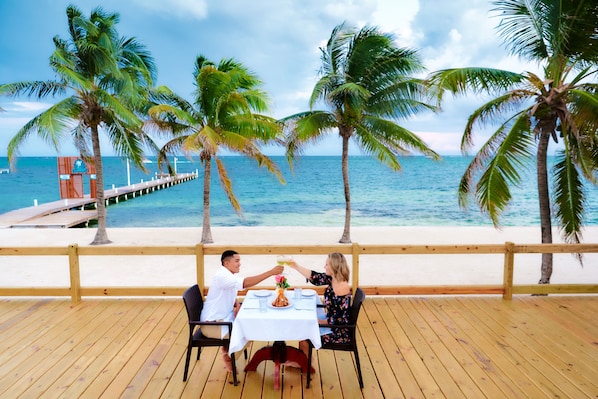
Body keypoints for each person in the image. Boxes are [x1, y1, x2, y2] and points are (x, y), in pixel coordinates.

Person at [201, 249, 284, 372]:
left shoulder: (227, 275)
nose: (239, 264)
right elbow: (245, 283)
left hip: (222, 318)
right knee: (250, 329)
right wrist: (271, 272)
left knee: (250, 324)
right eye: (237, 261)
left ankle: (228, 349)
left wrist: (236, 304)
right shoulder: (222, 276)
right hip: (212, 324)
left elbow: (227, 292)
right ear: (226, 263)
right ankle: (229, 356)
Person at [287, 252, 352, 358]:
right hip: (331, 322)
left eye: (327, 265)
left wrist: (320, 322)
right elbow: (315, 277)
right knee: (303, 324)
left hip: (338, 331)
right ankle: (303, 359)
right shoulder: (333, 279)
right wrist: (296, 266)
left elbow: (338, 318)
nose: (324, 266)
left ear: (334, 267)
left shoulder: (341, 288)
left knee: (304, 331)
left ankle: (306, 363)